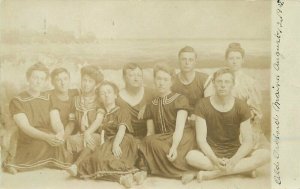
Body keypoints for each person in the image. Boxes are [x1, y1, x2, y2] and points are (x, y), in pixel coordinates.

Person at [185, 68, 270, 182]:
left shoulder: (241, 106)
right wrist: (215, 160)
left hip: (235, 153)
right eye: (219, 81)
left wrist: (234, 161)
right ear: (214, 84)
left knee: (266, 155)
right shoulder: (202, 104)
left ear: (233, 84)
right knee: (191, 157)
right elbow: (201, 140)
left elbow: (247, 141)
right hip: (212, 153)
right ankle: (244, 169)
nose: (223, 85)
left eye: (227, 82)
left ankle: (213, 174)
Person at [68, 81, 146, 188]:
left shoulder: (122, 110)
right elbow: (96, 126)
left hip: (122, 141)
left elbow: (122, 129)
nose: (106, 95)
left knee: (105, 160)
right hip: (107, 142)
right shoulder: (101, 113)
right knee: (93, 161)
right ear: (99, 97)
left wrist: (116, 144)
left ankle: (131, 174)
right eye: (102, 93)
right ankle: (122, 178)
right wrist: (87, 133)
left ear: (115, 95)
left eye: (109, 92)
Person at [5, 63, 72, 174]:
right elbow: (25, 127)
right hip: (27, 136)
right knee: (42, 144)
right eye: (35, 77)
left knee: (58, 144)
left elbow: (55, 120)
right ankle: (15, 163)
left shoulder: (49, 98)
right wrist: (46, 137)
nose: (38, 81)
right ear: (28, 79)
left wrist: (60, 133)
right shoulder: (18, 100)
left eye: (42, 78)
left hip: (47, 133)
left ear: (45, 81)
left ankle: (47, 161)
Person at [204, 42, 269, 154]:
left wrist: (241, 116)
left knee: (246, 146)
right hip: (218, 120)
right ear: (226, 60)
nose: (234, 61)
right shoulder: (215, 78)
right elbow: (208, 102)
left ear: (242, 60)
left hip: (241, 123)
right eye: (231, 58)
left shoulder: (250, 82)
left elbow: (256, 112)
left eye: (238, 58)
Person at [139, 63, 197, 183]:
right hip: (164, 138)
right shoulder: (151, 104)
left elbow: (180, 128)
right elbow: (150, 132)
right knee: (147, 141)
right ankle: (178, 171)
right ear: (154, 80)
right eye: (159, 79)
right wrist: (146, 147)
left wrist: (174, 146)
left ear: (171, 82)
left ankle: (187, 171)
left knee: (173, 150)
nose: (161, 83)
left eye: (166, 79)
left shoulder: (180, 99)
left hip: (182, 136)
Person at [66, 65, 104, 170]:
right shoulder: (75, 100)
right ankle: (69, 165)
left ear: (96, 85)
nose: (86, 84)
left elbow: (99, 120)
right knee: (67, 140)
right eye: (84, 80)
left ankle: (76, 165)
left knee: (92, 140)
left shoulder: (100, 100)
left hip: (96, 134)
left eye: (90, 81)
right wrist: (64, 135)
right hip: (81, 134)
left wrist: (88, 132)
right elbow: (71, 123)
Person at [118, 63, 153, 139]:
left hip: (148, 136)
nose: (136, 78)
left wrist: (149, 106)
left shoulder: (151, 93)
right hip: (125, 138)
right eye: (131, 75)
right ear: (124, 78)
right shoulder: (117, 97)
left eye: (139, 75)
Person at [49, 67, 78, 141]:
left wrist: (64, 137)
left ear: (69, 80)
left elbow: (72, 122)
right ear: (52, 82)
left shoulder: (76, 93)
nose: (63, 83)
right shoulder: (49, 96)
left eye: (65, 79)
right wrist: (61, 137)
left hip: (72, 134)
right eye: (58, 80)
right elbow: (56, 122)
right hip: (55, 134)